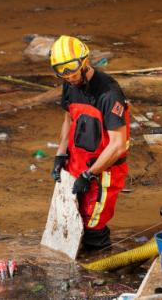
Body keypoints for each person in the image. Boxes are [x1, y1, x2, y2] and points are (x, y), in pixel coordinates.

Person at [49, 35, 130, 250]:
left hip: (104, 171)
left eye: (72, 69)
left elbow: (118, 145)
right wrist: (60, 155)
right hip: (77, 161)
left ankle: (99, 268)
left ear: (85, 62)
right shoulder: (69, 85)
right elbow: (69, 120)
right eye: (61, 71)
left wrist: (90, 174)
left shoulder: (109, 94)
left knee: (94, 223)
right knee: (74, 218)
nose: (68, 76)